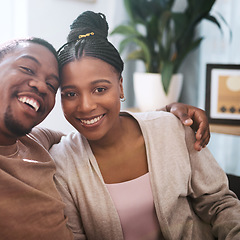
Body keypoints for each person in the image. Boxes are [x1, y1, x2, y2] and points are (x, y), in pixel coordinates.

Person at [0, 2, 211, 239]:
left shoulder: (41, 141)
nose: (41, 85)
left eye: (53, 86)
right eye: (26, 69)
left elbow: (101, 124)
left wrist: (168, 113)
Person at [50, 11, 240, 240]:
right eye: (70, 93)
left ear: (120, 86)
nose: (86, 105)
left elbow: (220, 205)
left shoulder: (173, 129)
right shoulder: (61, 163)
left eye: (100, 89)